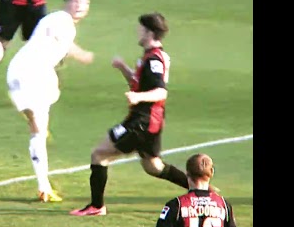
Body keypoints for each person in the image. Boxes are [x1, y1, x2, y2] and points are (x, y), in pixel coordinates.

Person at [70, 13, 200, 216]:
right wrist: (123, 68)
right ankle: (201, 190)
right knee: (153, 167)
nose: (137, 32)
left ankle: (97, 206)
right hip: (149, 120)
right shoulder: (150, 56)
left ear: (149, 32)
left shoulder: (154, 60)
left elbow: (160, 91)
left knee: (99, 154)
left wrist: (138, 98)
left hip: (142, 121)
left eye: (140, 29)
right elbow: (139, 83)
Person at [7, 0, 94, 202]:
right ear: (67, 3)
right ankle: (43, 187)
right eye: (77, 1)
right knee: (37, 131)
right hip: (27, 73)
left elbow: (59, 42)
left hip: (36, 74)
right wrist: (81, 55)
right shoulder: (60, 19)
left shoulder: (62, 23)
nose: (81, 6)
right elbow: (62, 40)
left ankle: (33, 119)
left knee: (51, 96)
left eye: (85, 3)